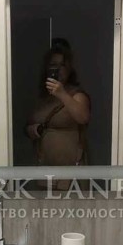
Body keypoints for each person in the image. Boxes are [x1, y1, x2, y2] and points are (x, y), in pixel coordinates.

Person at [25, 39, 90, 188]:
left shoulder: (77, 95)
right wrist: (33, 130)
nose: (58, 69)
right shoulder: (42, 99)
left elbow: (83, 118)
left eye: (62, 65)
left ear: (69, 69)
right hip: (44, 171)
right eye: (53, 65)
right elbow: (27, 126)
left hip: (72, 174)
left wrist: (62, 94)